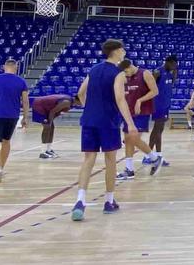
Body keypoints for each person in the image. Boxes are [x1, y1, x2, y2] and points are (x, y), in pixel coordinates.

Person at [71, 40, 160, 221]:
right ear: (117, 52)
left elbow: (81, 93)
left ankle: (80, 201)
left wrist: (91, 108)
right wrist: (131, 124)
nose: (124, 51)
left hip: (89, 120)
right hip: (108, 121)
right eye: (122, 49)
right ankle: (109, 201)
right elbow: (120, 99)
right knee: (110, 160)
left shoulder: (94, 69)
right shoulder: (118, 73)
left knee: (88, 160)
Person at [0, 58, 29, 183]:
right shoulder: (21, 82)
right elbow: (25, 101)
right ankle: (1, 167)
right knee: (6, 141)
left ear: (4, 67)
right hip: (13, 116)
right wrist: (25, 117)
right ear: (16, 67)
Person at [117, 59, 162, 180]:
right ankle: (129, 169)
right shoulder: (124, 77)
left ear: (130, 66)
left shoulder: (145, 73)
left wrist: (140, 100)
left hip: (142, 112)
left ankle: (154, 158)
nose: (125, 75)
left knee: (134, 138)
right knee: (128, 139)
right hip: (128, 112)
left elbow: (155, 91)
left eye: (126, 71)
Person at [149, 55, 178, 160]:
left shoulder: (170, 74)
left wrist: (175, 72)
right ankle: (149, 156)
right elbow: (149, 87)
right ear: (168, 62)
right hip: (158, 105)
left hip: (165, 105)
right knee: (157, 130)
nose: (175, 67)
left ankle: (157, 155)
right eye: (174, 65)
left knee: (159, 130)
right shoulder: (157, 72)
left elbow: (173, 83)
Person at [31, 92, 74, 158]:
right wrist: (49, 122)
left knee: (51, 127)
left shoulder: (69, 103)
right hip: (39, 105)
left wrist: (50, 121)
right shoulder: (66, 102)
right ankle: (42, 152)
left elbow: (55, 113)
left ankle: (48, 150)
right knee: (47, 127)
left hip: (45, 108)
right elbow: (52, 112)